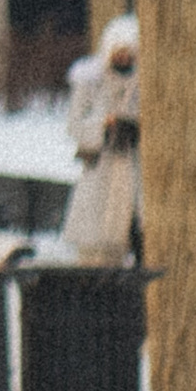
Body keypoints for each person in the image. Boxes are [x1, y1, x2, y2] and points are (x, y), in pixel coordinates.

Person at [63, 14, 140, 268]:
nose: (123, 58)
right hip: (99, 167)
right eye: (119, 51)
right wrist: (102, 124)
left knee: (125, 230)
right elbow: (74, 125)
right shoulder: (90, 81)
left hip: (131, 166)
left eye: (129, 52)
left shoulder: (140, 83)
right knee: (94, 237)